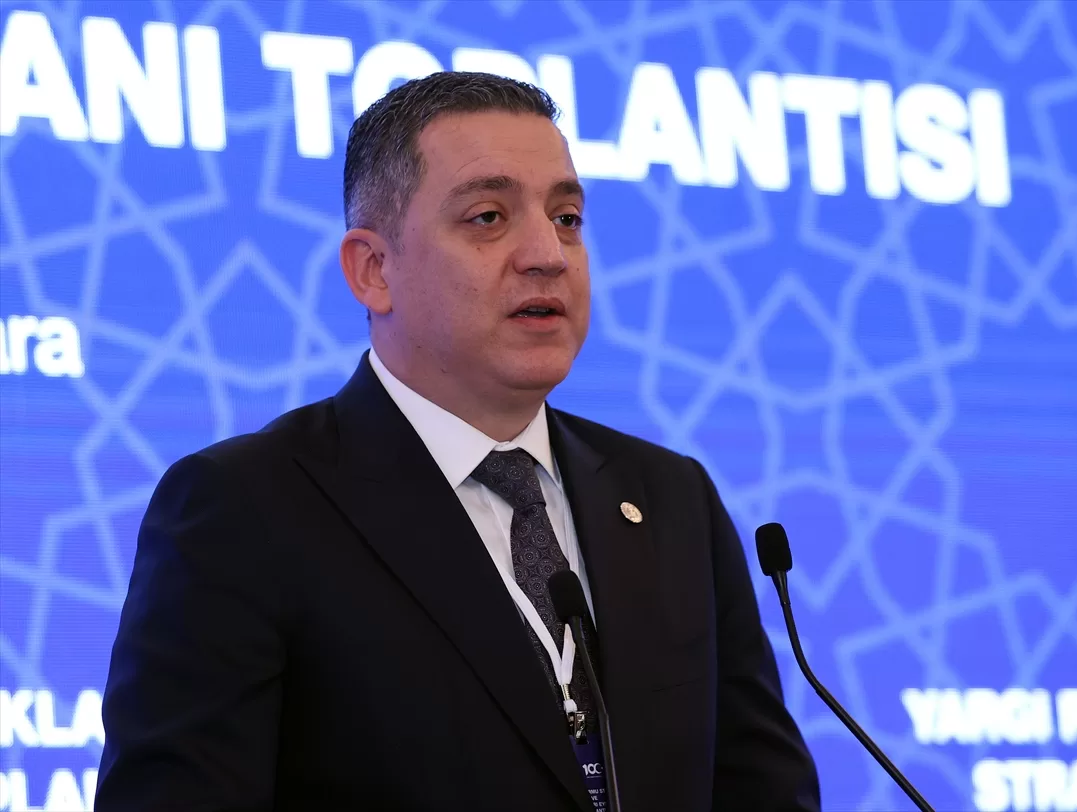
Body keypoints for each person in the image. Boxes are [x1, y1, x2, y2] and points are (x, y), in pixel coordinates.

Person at [95, 71, 821, 812]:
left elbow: (762, 789)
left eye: (567, 217)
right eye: (488, 217)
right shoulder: (246, 510)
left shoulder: (669, 498)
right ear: (374, 271)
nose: (548, 253)